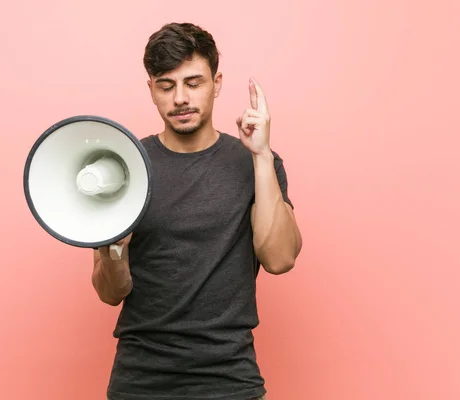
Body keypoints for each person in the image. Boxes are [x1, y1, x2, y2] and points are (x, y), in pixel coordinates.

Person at [91, 22, 303, 400]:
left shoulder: (256, 164)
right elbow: (110, 292)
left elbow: (280, 258)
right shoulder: (125, 168)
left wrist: (262, 156)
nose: (180, 99)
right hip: (140, 380)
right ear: (151, 89)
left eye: (194, 83)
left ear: (216, 83)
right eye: (166, 86)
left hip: (229, 380)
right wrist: (115, 246)